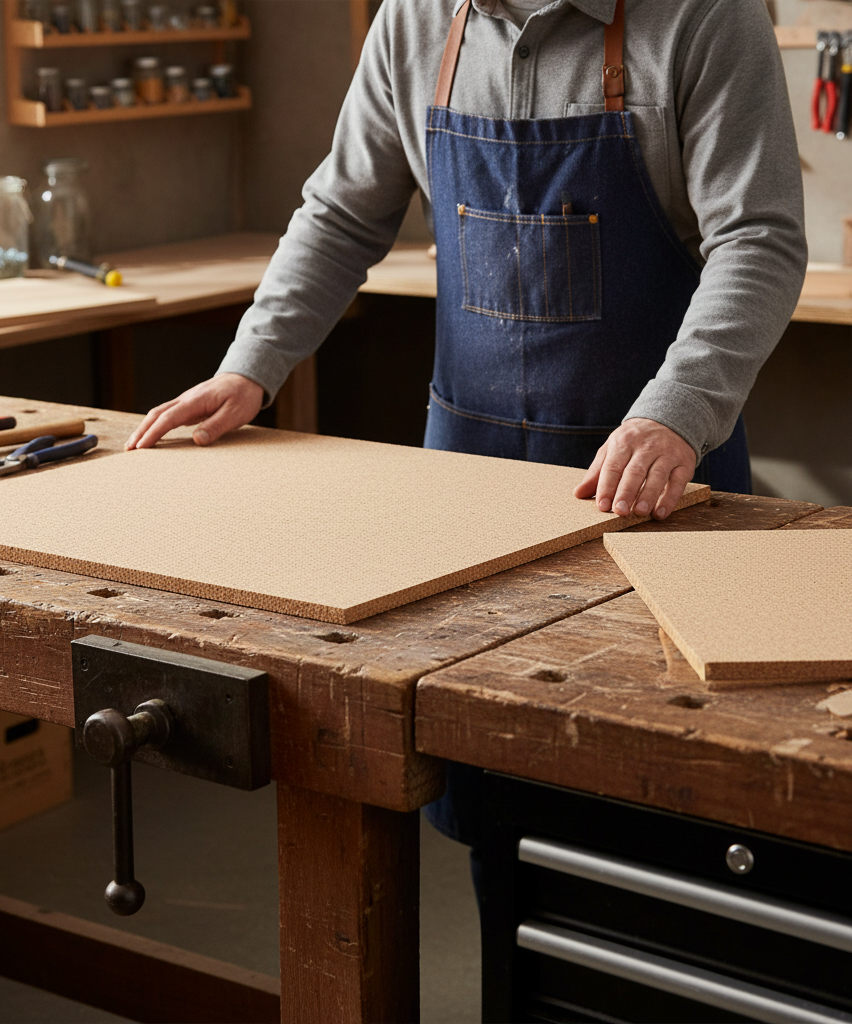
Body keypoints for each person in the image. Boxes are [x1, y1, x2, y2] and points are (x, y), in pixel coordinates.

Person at [126, 0, 806, 881]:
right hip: (467, 491)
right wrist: (250, 366)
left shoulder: (705, 16)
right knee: (497, 800)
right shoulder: (414, 20)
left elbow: (757, 236)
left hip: (657, 484)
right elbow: (341, 212)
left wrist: (676, 409)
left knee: (668, 799)